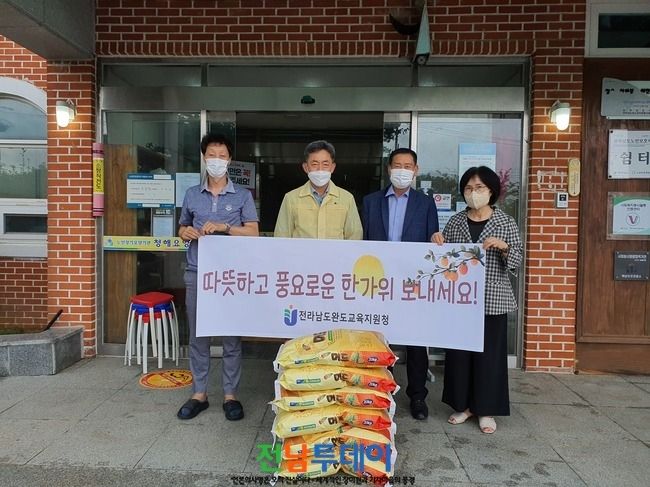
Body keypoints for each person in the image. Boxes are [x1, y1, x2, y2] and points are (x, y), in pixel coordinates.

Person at [431, 165, 522, 434]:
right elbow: (444, 258)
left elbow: (517, 260)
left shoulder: (505, 222)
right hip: (461, 300)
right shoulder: (456, 221)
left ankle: (486, 409)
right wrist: (437, 240)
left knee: (489, 357)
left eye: (479, 187)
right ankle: (462, 406)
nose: (474, 193)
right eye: (469, 188)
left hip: (492, 299)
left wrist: (504, 247)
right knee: (459, 355)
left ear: (491, 190)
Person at [177, 133, 259, 421]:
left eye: (222, 156)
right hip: (197, 273)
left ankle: (230, 395)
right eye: (212, 155)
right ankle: (199, 394)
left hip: (230, 278)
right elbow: (182, 227)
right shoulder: (191, 194)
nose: (217, 160)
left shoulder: (242, 195)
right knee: (198, 336)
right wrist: (185, 232)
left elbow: (253, 232)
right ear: (204, 157)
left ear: (229, 160)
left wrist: (226, 227)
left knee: (231, 337)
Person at [361, 148, 439, 420]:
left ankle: (417, 396)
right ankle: (382, 392)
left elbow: (432, 242)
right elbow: (362, 243)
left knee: (416, 341)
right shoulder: (371, 202)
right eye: (397, 165)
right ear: (389, 169)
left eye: (408, 166)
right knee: (381, 339)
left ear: (416, 170)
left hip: (411, 283)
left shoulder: (425, 204)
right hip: (378, 282)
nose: (402, 170)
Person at [273, 140, 362, 240]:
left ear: (332, 167)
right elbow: (281, 236)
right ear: (306, 167)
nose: (320, 169)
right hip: (301, 251)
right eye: (314, 164)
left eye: (325, 164)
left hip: (336, 251)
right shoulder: (291, 198)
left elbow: (355, 237)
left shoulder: (347, 199)